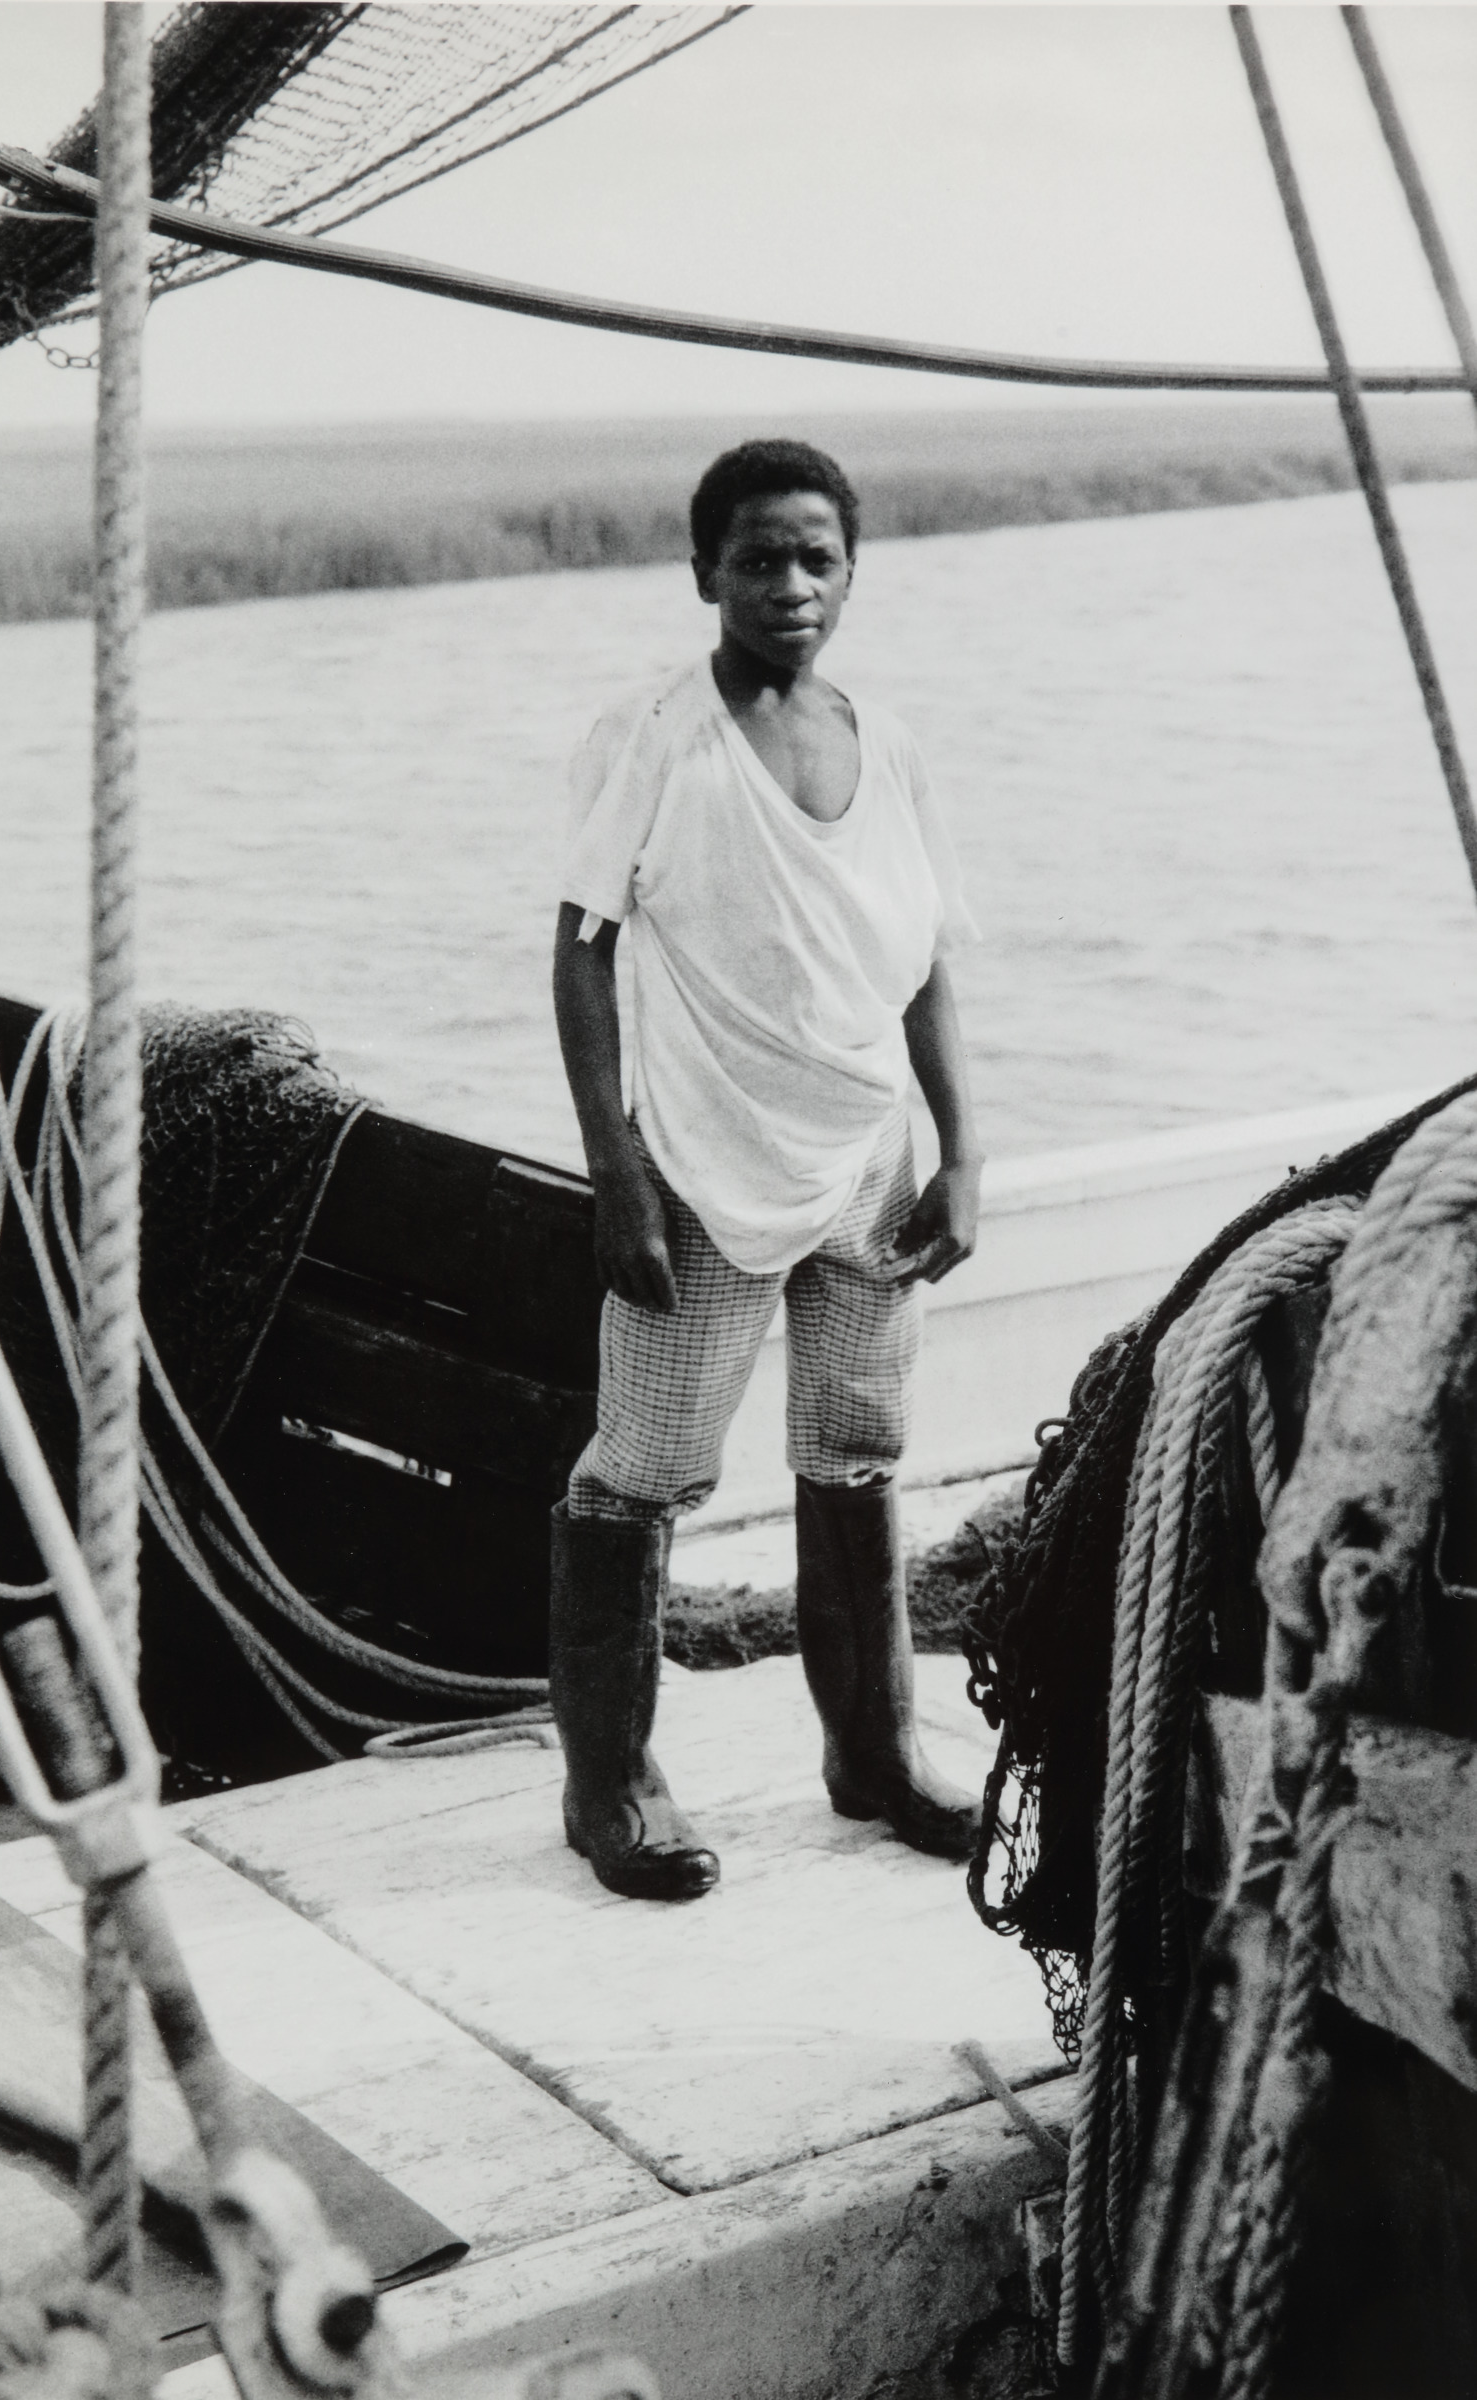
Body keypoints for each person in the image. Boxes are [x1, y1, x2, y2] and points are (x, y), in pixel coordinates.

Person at [550, 438, 984, 1903]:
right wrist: (617, 1174)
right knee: (644, 1470)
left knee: (856, 1444)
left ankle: (875, 1755)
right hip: (700, 1164)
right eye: (757, 558)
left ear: (852, 573)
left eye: (817, 557)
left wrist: (963, 1152)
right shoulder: (655, 737)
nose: (790, 584)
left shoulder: (889, 743)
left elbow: (928, 965)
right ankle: (611, 1788)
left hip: (867, 1162)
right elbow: (583, 954)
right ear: (704, 576)